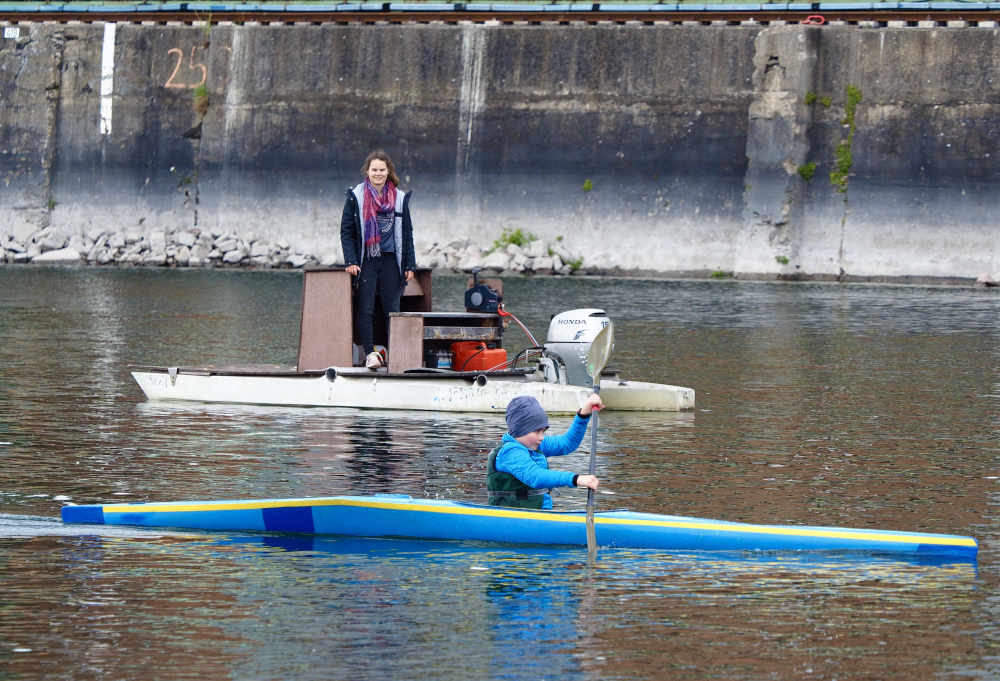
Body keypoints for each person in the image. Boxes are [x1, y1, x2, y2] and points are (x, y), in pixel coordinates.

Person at [340, 150, 416, 369]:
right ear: (368, 171)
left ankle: (396, 352)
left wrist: (410, 264)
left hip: (392, 260)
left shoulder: (399, 198)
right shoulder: (356, 196)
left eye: (382, 170)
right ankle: (371, 353)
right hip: (367, 260)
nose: (378, 174)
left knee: (391, 309)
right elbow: (346, 231)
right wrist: (351, 260)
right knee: (366, 309)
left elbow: (408, 233)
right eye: (374, 169)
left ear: (388, 171)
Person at [487, 394, 603, 510]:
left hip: (541, 513)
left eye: (543, 431)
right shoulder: (509, 452)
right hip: (514, 517)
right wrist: (575, 479)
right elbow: (535, 476)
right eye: (537, 432)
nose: (542, 437)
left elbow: (567, 443)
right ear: (520, 430)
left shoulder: (535, 444)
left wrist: (584, 413)